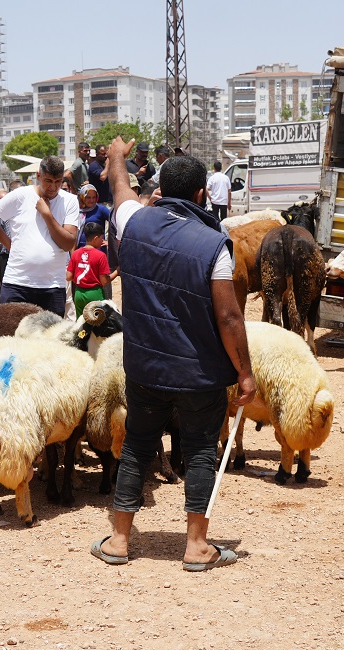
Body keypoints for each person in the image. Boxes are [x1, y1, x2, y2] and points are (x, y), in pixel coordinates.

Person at [90, 137, 255, 572]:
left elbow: (121, 190)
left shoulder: (133, 222)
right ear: (203, 195)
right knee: (200, 450)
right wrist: (245, 372)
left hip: (144, 366)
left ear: (161, 188)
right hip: (199, 374)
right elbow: (230, 318)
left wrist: (117, 156)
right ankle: (196, 546)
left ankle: (120, 540)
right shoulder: (215, 243)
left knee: (137, 447)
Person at [0, 156, 80, 315]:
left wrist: (47, 214)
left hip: (52, 286)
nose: (53, 187)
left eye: (58, 181)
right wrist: (10, 245)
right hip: (17, 283)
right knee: (8, 336)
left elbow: (68, 243)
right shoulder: (21, 195)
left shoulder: (70, 201)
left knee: (49, 339)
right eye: (48, 181)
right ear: (38, 175)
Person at [67, 220, 113, 317]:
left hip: (79, 293)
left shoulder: (76, 253)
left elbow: (68, 277)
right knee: (97, 322)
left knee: (81, 323)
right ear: (96, 238)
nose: (102, 240)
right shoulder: (100, 255)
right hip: (94, 293)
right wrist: (117, 272)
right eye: (101, 238)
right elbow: (104, 281)